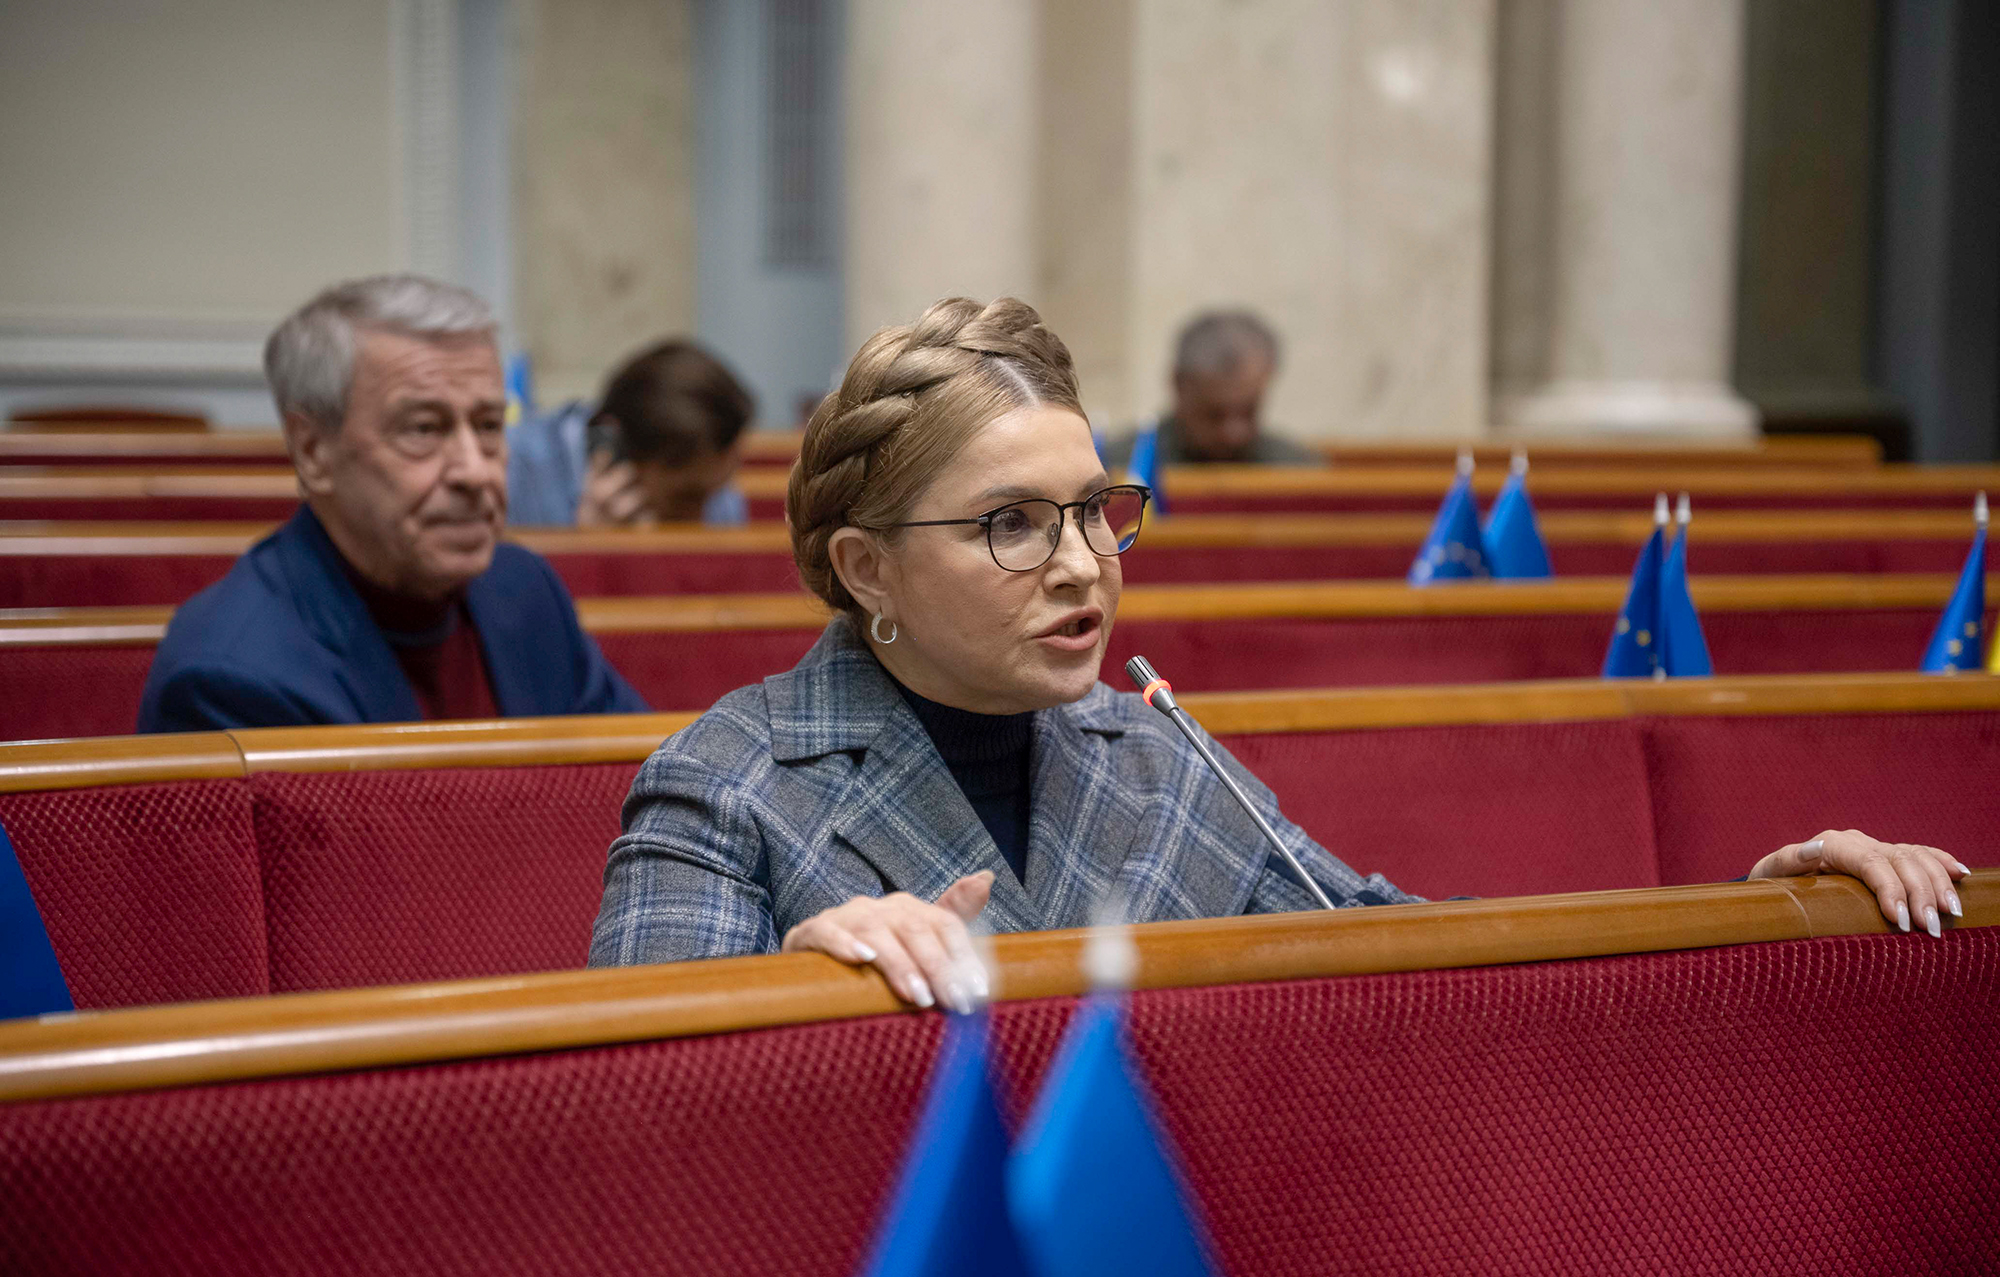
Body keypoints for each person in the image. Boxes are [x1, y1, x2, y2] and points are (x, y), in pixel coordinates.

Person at [589, 296, 1970, 1013]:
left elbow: (1435, 964)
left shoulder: (1156, 754)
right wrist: (788, 984)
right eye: (1011, 524)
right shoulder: (727, 786)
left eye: (1097, 509)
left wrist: (1752, 915)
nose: (1082, 563)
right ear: (865, 567)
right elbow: (634, 1135)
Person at [138, 275, 648, 731]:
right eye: (423, 429)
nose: (475, 471)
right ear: (313, 452)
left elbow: (642, 782)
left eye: (489, 426)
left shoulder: (525, 588)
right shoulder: (232, 677)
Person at [506, 340, 754, 526]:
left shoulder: (716, 495)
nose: (703, 520)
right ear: (617, 452)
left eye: (721, 487)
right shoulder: (515, 473)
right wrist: (587, 554)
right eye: (685, 500)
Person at [1100, 308, 1316, 469]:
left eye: (1248, 412)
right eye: (1214, 415)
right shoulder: (1122, 469)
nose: (1234, 434)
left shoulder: (1298, 471)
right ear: (1178, 384)